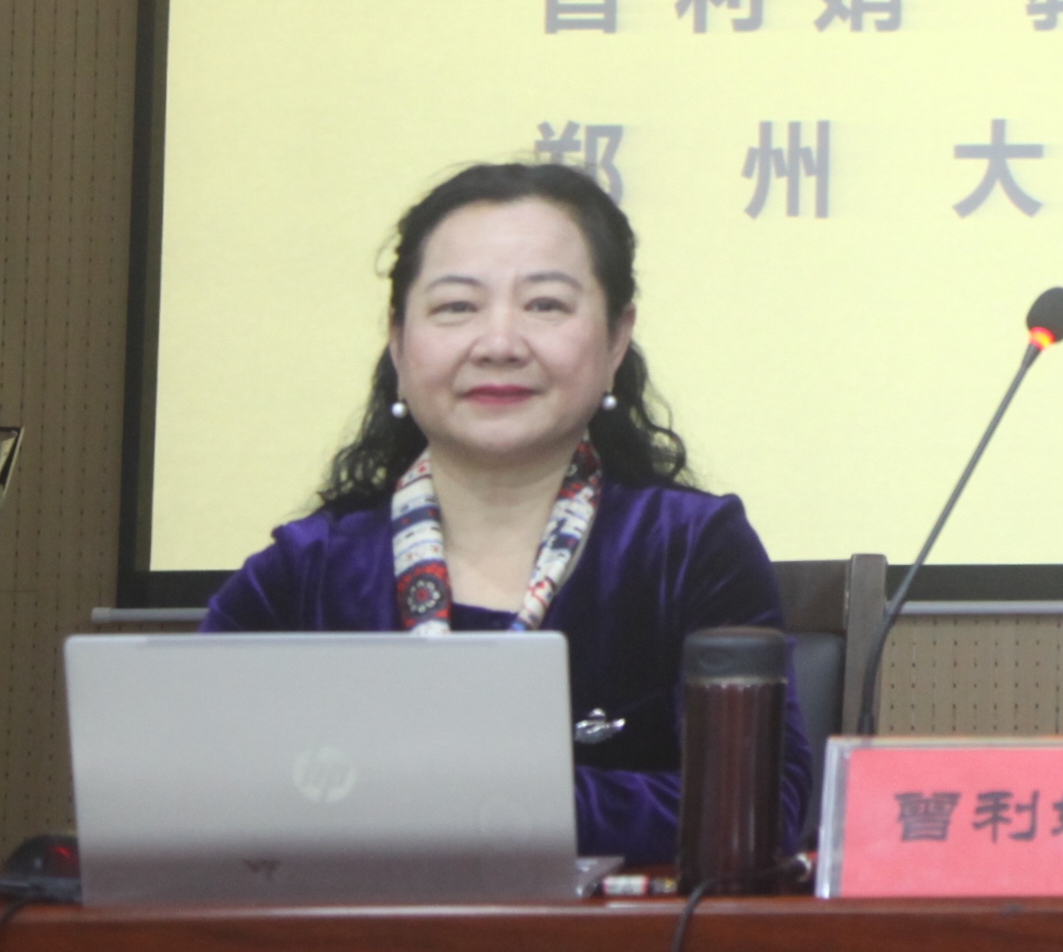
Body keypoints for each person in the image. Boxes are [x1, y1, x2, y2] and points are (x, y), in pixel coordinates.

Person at [203, 161, 811, 865]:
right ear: (398, 341)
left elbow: (761, 809)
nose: (499, 343)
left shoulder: (688, 548)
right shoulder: (304, 572)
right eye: (456, 307)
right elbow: (184, 787)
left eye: (545, 305)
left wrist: (445, 800)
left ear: (617, 339)